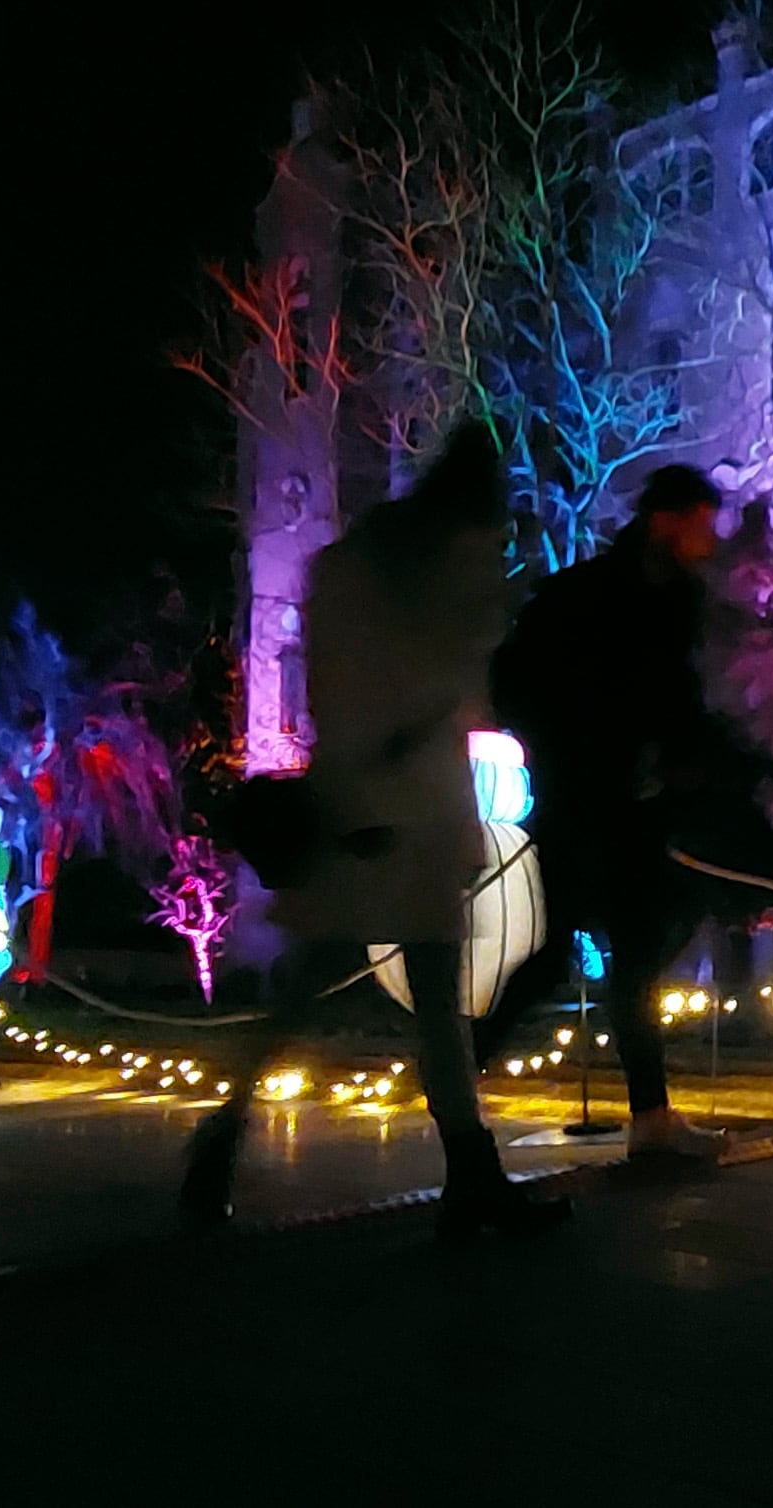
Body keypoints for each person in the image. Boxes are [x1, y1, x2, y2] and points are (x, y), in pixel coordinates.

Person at [181, 424, 569, 1239]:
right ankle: (469, 1176)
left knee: (317, 994)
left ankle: (223, 1141)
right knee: (427, 1003)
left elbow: (338, 691)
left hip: (360, 807)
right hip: (410, 813)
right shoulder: (449, 576)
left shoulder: (350, 570)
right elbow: (450, 683)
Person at [478, 464, 726, 1160]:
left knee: (636, 952)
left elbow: (676, 700)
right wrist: (568, 755)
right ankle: (458, 1074)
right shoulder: (587, 595)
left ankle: (650, 1118)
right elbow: (520, 680)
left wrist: (672, 762)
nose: (710, 540)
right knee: (555, 954)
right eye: (701, 524)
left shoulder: (674, 601)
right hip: (584, 796)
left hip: (635, 802)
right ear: (666, 521)